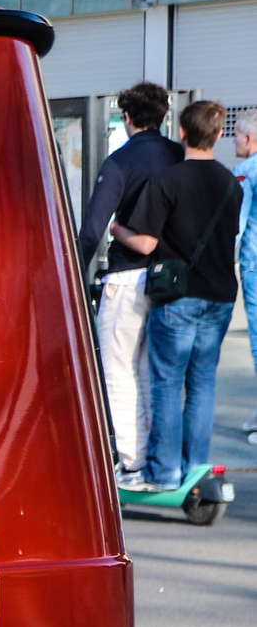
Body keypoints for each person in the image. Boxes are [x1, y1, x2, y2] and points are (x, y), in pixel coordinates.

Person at [111, 99, 241, 492]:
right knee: (202, 383)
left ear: (181, 132)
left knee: (167, 383)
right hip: (220, 297)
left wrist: (118, 230)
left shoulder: (168, 180)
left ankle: (163, 472)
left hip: (178, 296)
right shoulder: (230, 183)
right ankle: (195, 469)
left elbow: (147, 243)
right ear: (219, 134)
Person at [77, 82, 184, 482]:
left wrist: (74, 274)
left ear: (126, 118)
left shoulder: (120, 161)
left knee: (118, 370)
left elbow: (92, 230)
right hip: (170, 281)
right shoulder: (179, 156)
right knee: (155, 374)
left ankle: (132, 462)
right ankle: (161, 461)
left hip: (125, 280)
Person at [233, 121, 257, 438]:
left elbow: (236, 224)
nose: (233, 139)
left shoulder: (245, 170)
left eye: (236, 133)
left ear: (250, 138)